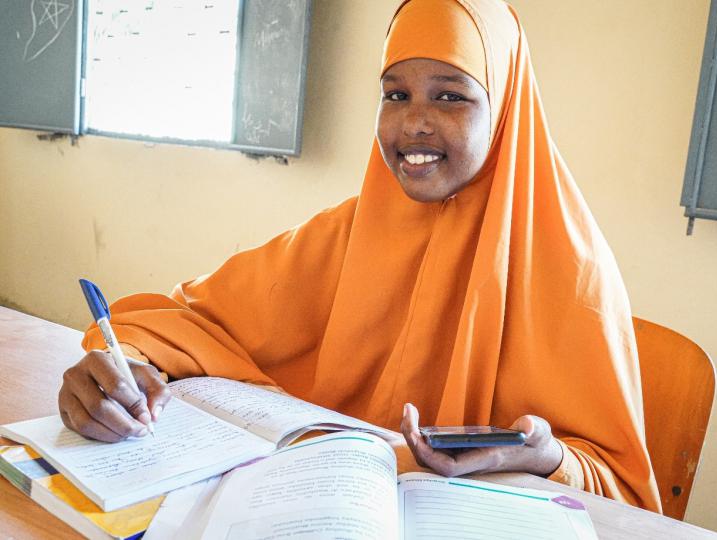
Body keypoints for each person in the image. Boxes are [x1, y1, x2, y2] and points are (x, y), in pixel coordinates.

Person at [58, 0, 662, 512]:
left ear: (505, 112)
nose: (415, 121)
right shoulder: (346, 233)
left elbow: (626, 497)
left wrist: (547, 459)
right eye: (395, 93)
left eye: (451, 97)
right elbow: (180, 321)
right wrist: (122, 368)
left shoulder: (573, 274)